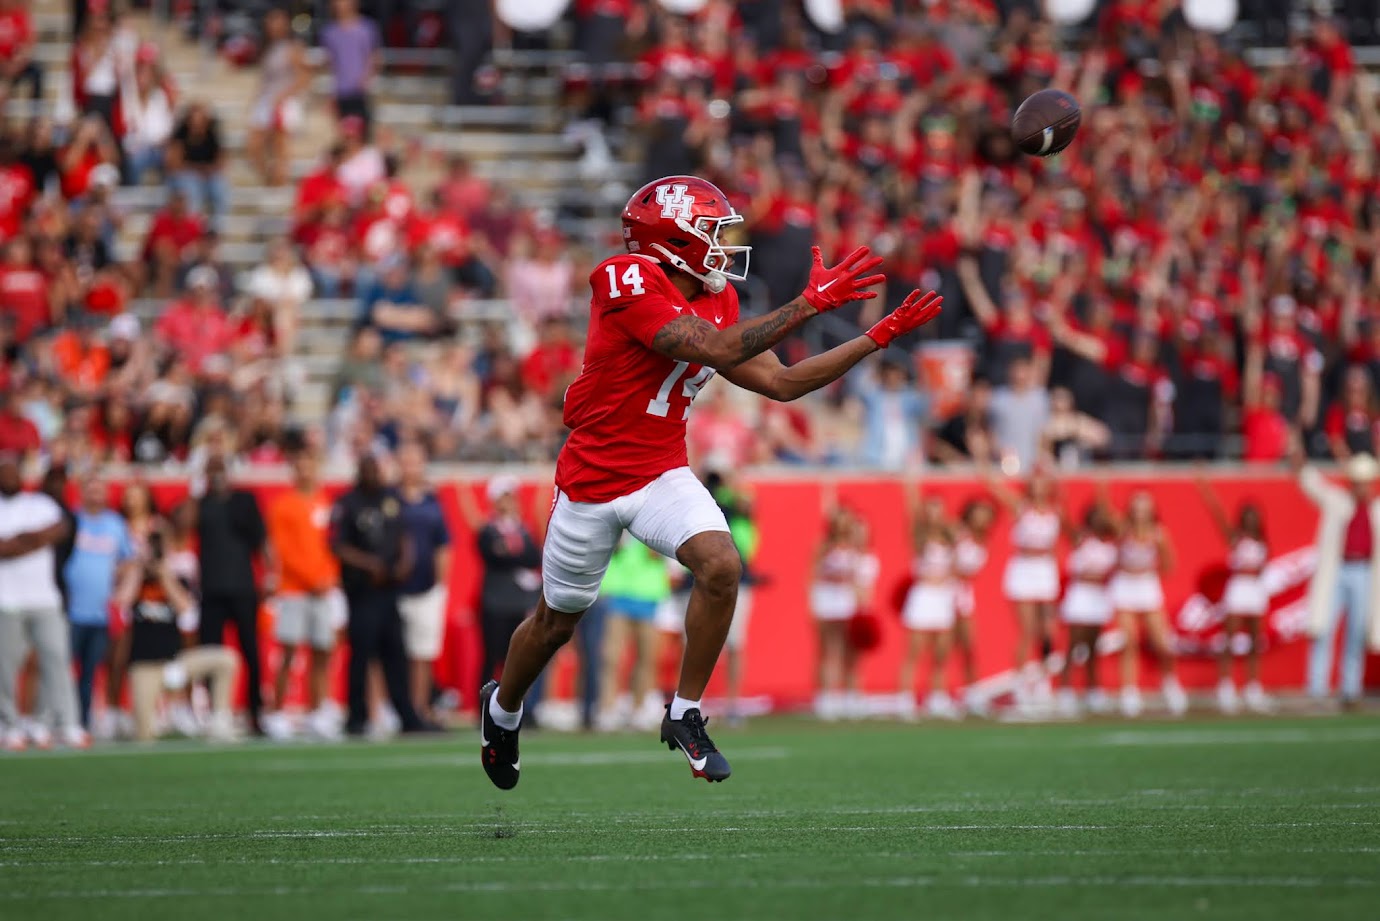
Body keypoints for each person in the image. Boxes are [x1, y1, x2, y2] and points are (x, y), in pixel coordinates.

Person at [480, 175, 942, 790]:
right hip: (592, 478)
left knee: (722, 564)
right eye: (713, 231)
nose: (725, 244)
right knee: (555, 623)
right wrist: (808, 305)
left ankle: (685, 711)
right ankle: (503, 709)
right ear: (672, 239)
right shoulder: (625, 277)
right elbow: (710, 347)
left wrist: (874, 337)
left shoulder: (716, 295)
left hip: (661, 470)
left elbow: (782, 382)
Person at [113, 512, 238, 742]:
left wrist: (164, 573)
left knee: (226, 660)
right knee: (144, 735)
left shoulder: (174, 577)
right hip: (144, 667)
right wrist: (140, 567)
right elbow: (122, 601)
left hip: (175, 664)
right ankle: (150, 720)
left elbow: (185, 608)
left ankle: (220, 720)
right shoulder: (135, 576)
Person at [331, 453, 432, 736]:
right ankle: (357, 717)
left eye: (376, 468)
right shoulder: (347, 503)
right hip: (362, 592)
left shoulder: (390, 499)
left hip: (390, 590)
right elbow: (337, 545)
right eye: (368, 469)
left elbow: (404, 534)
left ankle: (407, 716)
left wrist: (405, 563)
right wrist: (368, 564)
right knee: (361, 656)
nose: (373, 474)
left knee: (396, 654)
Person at [0, 450, 85, 750]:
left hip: (45, 598)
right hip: (6, 601)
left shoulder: (41, 504)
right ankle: (8, 725)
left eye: (13, 472)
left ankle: (67, 723)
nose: (9, 477)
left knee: (57, 661)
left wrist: (16, 542)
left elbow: (57, 531)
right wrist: (31, 540)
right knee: (6, 667)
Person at [264, 436, 343, 740]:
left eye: (309, 465)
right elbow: (284, 551)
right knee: (288, 651)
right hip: (295, 589)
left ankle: (317, 710)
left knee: (322, 651)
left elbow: (335, 545)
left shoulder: (327, 503)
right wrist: (313, 580)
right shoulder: (283, 506)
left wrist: (331, 578)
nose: (305, 471)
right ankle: (276, 711)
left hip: (324, 589)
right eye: (299, 466)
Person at [1297, 450, 1380, 708]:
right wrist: (1300, 460)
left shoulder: (1377, 510)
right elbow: (1313, 484)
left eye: (1364, 482)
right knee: (1324, 629)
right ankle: (1317, 689)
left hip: (1365, 571)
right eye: (1357, 481)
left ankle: (1349, 690)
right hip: (1337, 570)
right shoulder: (1338, 501)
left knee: (1356, 632)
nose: (1361, 487)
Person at [196, 454, 268, 735]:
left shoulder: (244, 501)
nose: (216, 475)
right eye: (211, 469)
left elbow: (260, 539)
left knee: (250, 652)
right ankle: (216, 712)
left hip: (242, 588)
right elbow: (182, 521)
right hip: (211, 589)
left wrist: (269, 575)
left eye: (220, 468)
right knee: (210, 653)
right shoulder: (201, 504)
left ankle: (255, 712)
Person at [64, 470, 135, 729]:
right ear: (81, 492)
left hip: (100, 612)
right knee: (62, 669)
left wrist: (120, 584)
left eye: (99, 489)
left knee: (91, 671)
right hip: (70, 610)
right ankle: (61, 717)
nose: (95, 494)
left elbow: (130, 560)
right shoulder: (70, 520)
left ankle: (83, 721)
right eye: (90, 489)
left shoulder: (115, 524)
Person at [1197, 476, 1273, 714]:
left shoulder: (1263, 541)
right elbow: (1218, 514)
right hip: (1238, 589)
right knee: (1229, 639)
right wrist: (1206, 490)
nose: (1251, 519)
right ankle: (1225, 686)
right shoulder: (1235, 538)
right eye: (1247, 515)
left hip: (1255, 592)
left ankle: (1252, 687)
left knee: (1254, 641)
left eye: (1254, 515)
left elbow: (1264, 567)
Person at [988, 467, 1063, 707]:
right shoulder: (1021, 508)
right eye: (1035, 482)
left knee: (1048, 631)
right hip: (1024, 569)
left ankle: (1043, 680)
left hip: (1045, 569)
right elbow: (994, 487)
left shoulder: (1056, 511)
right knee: (1027, 630)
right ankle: (1020, 684)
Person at [1108, 489, 1186, 718]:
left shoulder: (1159, 533)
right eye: (1137, 507)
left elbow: (1170, 564)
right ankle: (1129, 692)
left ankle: (1170, 684)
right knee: (1129, 640)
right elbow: (1107, 517)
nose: (1141, 512)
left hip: (1146, 585)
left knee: (1162, 642)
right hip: (1124, 586)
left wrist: (1147, 570)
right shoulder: (1123, 529)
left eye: (1145, 507)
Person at [396, 440, 451, 724]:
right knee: (392, 654)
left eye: (415, 461)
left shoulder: (432, 501)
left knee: (423, 653)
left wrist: (441, 584)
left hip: (427, 587)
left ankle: (418, 709)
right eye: (405, 461)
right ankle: (388, 710)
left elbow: (443, 545)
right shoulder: (390, 498)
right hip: (394, 588)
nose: (410, 467)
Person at [469, 476, 542, 688]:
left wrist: (508, 553)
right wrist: (513, 555)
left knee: (518, 657)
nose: (510, 502)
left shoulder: (523, 529)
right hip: (495, 601)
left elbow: (532, 557)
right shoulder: (488, 530)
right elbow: (493, 557)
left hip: (519, 602)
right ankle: (484, 703)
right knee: (492, 655)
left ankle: (514, 704)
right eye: (505, 497)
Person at [594, 537, 673, 732]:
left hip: (648, 594)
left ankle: (638, 709)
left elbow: (665, 554)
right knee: (610, 657)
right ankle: (607, 710)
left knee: (646, 657)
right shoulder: (619, 514)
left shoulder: (657, 522)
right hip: (617, 593)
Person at [898, 495, 960, 720]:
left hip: (943, 596)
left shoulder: (950, 536)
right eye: (931, 509)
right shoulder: (920, 536)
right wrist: (911, 485)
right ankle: (905, 698)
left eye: (939, 509)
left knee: (942, 651)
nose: (935, 514)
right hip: (924, 595)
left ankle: (938, 696)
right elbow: (911, 511)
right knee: (915, 650)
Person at [1055, 502, 1119, 717]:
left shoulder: (1112, 544)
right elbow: (1065, 526)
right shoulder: (1082, 539)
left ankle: (1093, 689)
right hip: (1080, 595)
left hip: (1099, 597)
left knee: (1093, 646)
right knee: (1074, 645)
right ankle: (1065, 689)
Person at [246, 6, 309, 186]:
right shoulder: (267, 47)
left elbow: (304, 77)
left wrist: (284, 96)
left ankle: (280, 181)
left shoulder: (292, 47)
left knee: (280, 144)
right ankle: (270, 178)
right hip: (266, 99)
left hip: (283, 100)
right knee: (254, 145)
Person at [951, 496, 996, 715]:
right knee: (942, 645)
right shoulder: (955, 532)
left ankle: (973, 693)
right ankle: (938, 693)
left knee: (968, 645)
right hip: (944, 592)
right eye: (979, 513)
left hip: (963, 594)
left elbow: (970, 571)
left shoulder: (982, 541)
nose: (982, 519)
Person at [321, 0, 381, 129]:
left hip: (360, 92)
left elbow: (374, 58)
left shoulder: (367, 28)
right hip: (340, 92)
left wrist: (365, 80)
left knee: (362, 134)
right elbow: (331, 63)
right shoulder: (329, 32)